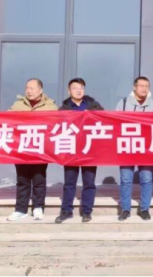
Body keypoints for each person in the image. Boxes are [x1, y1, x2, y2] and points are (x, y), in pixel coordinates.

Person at [6, 79, 58, 222]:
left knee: (39, 179)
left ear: (40, 90)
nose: (29, 91)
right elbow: (5, 120)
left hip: (40, 149)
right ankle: (20, 209)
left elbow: (57, 124)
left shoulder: (50, 106)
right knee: (22, 180)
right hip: (22, 149)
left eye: (32, 88)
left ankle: (38, 207)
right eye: (27, 88)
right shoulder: (18, 105)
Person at [55, 78, 103, 224]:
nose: (78, 90)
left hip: (89, 149)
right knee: (70, 182)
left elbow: (104, 119)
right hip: (71, 150)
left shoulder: (93, 105)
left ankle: (87, 211)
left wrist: (92, 115)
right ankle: (66, 211)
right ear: (69, 91)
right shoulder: (63, 109)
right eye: (75, 88)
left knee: (89, 182)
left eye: (81, 88)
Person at [115, 76, 153, 221]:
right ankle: (125, 209)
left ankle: (144, 209)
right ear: (134, 87)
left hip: (146, 147)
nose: (144, 89)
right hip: (128, 146)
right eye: (141, 86)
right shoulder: (124, 103)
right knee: (126, 179)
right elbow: (115, 123)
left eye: (146, 86)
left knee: (146, 179)